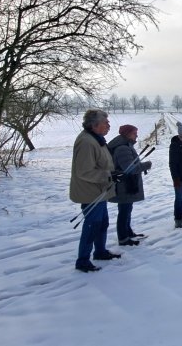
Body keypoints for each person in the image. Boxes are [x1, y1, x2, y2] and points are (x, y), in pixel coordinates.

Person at [70, 109, 123, 272]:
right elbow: (84, 171)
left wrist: (113, 174)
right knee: (93, 225)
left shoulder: (96, 138)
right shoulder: (86, 142)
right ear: (95, 125)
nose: (108, 125)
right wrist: (109, 176)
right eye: (105, 122)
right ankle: (83, 260)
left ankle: (100, 251)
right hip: (90, 192)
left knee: (102, 223)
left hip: (100, 191)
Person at [107, 124, 153, 246]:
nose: (136, 135)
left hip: (127, 185)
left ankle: (128, 232)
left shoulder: (125, 145)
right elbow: (130, 169)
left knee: (127, 210)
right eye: (134, 133)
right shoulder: (122, 148)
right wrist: (146, 165)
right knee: (124, 211)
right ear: (127, 134)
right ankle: (123, 238)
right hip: (124, 186)